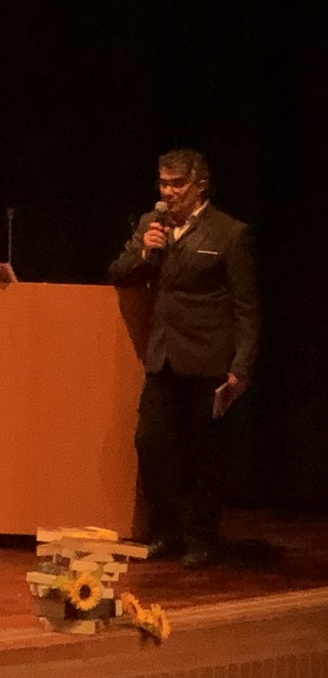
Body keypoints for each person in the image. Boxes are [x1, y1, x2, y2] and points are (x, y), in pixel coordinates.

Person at [107, 149, 260, 567]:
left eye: (177, 184)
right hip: (164, 355)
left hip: (210, 357)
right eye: (163, 183)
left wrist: (241, 368)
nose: (168, 192)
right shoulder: (150, 225)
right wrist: (145, 255)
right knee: (150, 441)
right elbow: (119, 273)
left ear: (200, 186)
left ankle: (201, 538)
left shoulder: (230, 233)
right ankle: (167, 531)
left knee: (205, 454)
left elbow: (247, 308)